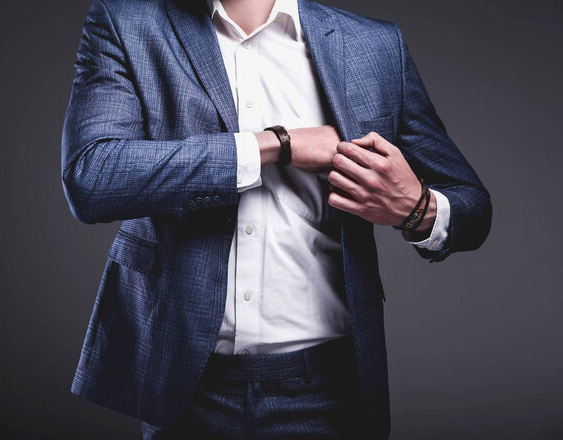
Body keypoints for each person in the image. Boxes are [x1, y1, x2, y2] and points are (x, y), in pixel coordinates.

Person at [61, 0, 492, 438]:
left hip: (327, 389)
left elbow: (472, 208)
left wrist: (416, 208)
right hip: (184, 379)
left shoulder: (373, 46)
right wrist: (273, 145)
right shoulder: (129, 23)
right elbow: (93, 177)